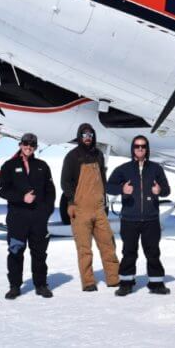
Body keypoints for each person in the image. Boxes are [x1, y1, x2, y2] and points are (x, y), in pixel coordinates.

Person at [108, 135, 171, 296]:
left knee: (153, 252)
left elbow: (167, 190)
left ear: (147, 149)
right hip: (129, 219)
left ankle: (156, 283)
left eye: (143, 146)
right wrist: (122, 189)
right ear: (133, 149)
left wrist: (160, 191)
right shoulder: (123, 169)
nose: (140, 149)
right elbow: (108, 186)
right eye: (137, 146)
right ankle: (126, 283)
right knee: (129, 252)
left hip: (151, 219)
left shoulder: (156, 168)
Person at [61, 123, 120, 292]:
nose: (88, 138)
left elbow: (102, 178)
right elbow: (65, 182)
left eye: (90, 135)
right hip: (80, 210)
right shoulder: (72, 157)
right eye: (84, 135)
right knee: (84, 249)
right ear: (80, 137)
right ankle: (88, 282)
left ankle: (113, 278)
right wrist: (71, 202)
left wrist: (105, 201)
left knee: (108, 244)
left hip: (98, 208)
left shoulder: (98, 155)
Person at [0, 132, 56, 300]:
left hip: (38, 219)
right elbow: (2, 190)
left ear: (35, 147)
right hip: (18, 218)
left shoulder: (42, 166)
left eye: (32, 145)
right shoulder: (9, 165)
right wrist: (22, 198)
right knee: (15, 252)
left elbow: (50, 192)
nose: (28, 147)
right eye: (25, 144)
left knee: (39, 253)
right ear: (20, 145)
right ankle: (15, 286)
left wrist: (46, 212)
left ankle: (41, 285)